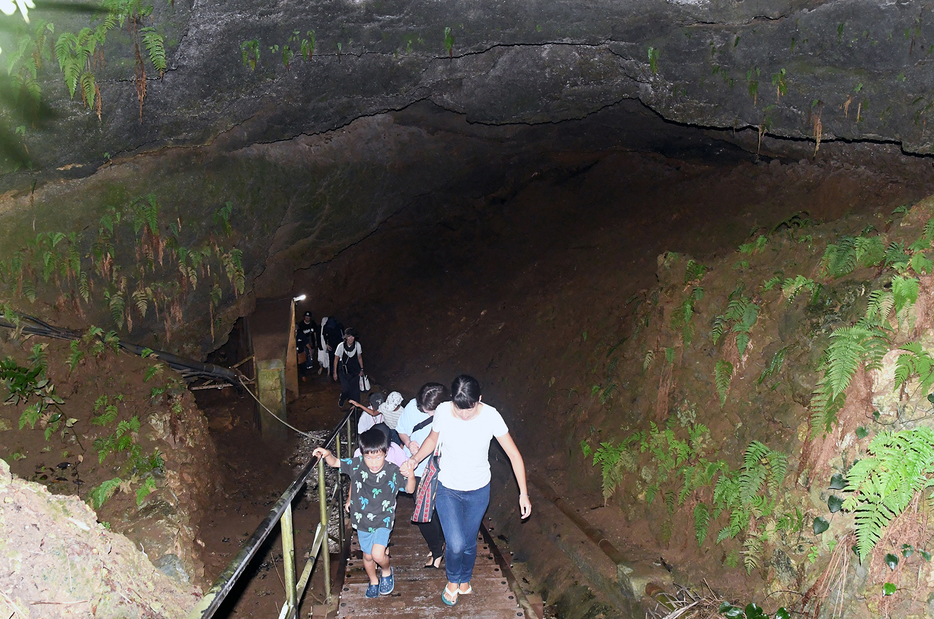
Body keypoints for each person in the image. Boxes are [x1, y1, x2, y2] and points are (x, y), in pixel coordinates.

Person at [407, 375, 532, 606]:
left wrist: (523, 493)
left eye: (470, 408)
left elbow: (514, 455)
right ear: (452, 400)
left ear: (479, 399)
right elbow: (432, 439)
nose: (464, 414)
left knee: (469, 541)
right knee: (455, 543)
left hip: (478, 490)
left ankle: (465, 580)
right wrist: (414, 459)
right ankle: (453, 581)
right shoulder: (444, 411)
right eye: (459, 407)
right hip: (448, 488)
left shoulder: (492, 416)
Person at [313, 429, 416, 599]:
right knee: (367, 556)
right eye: (369, 457)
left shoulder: (392, 470)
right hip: (362, 520)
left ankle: (386, 570)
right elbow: (336, 462)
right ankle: (373, 580)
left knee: (377, 554)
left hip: (384, 518)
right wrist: (327, 454)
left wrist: (411, 475)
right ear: (362, 454)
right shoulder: (357, 464)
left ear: (385, 453)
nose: (374, 463)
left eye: (378, 457)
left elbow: (409, 489)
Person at [396, 382, 448, 569]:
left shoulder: (451, 411)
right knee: (423, 512)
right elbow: (401, 429)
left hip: (443, 468)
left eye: (430, 412)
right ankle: (436, 550)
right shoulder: (411, 406)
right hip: (417, 469)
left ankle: (441, 542)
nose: (428, 415)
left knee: (440, 510)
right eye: (424, 411)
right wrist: (409, 443)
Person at [333, 328, 364, 408]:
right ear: (346, 337)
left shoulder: (357, 345)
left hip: (354, 371)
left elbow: (359, 357)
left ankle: (355, 408)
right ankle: (342, 398)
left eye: (352, 336)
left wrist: (362, 369)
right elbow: (336, 359)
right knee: (346, 390)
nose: (351, 338)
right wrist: (335, 373)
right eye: (349, 336)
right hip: (344, 372)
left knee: (355, 391)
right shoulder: (341, 346)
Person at [295, 311, 319, 379]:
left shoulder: (312, 323)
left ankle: (310, 366)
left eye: (308, 317)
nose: (307, 318)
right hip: (303, 343)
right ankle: (305, 368)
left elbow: (315, 332)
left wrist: (316, 340)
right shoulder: (301, 325)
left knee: (311, 352)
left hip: (311, 342)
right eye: (306, 317)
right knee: (304, 354)